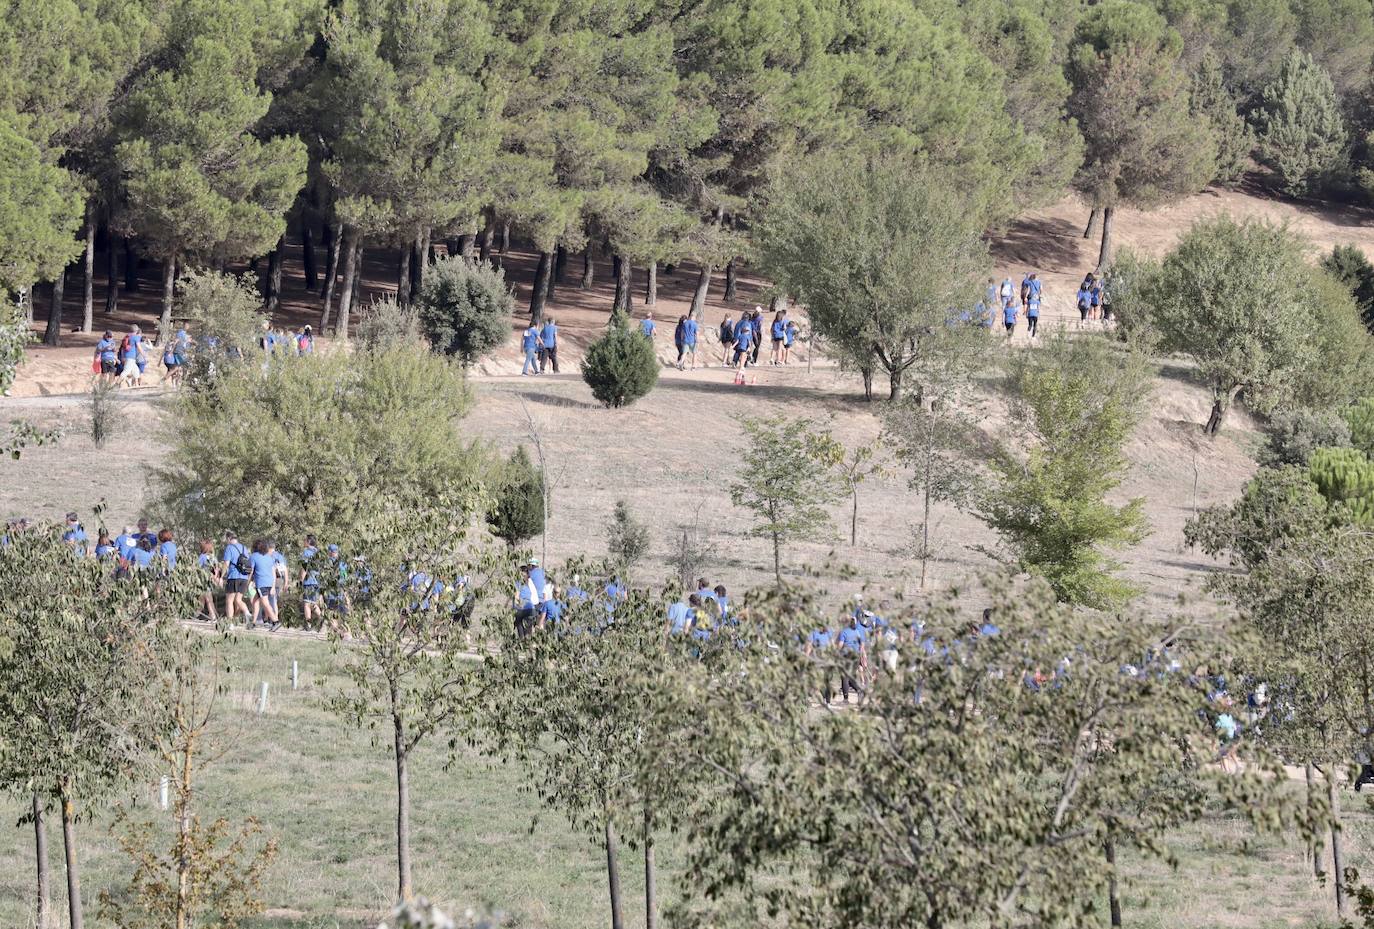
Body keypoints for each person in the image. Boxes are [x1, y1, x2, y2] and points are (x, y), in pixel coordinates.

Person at [248, 539, 280, 630]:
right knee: (255, 601)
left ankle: (275, 621)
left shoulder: (253, 556)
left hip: (261, 583)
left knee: (265, 603)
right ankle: (253, 622)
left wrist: (247, 583)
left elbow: (251, 572)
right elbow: (274, 572)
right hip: (269, 582)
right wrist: (273, 586)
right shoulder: (269, 557)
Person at [222, 531, 252, 624]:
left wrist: (222, 576)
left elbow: (226, 564)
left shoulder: (229, 548)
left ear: (228, 539)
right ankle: (247, 613)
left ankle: (230, 623)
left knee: (229, 601)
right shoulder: (244, 548)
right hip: (244, 577)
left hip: (233, 577)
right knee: (238, 599)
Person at [836, 615, 867, 702]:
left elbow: (840, 645)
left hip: (846, 657)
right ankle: (859, 690)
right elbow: (862, 645)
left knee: (845, 677)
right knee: (849, 677)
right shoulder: (857, 632)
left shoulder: (844, 632)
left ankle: (846, 699)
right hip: (856, 657)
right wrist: (861, 655)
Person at [301, 534, 322, 629]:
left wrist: (301, 579)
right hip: (317, 581)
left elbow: (304, 567)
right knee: (313, 602)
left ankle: (308, 624)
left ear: (309, 541)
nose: (303, 541)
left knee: (306, 603)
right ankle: (321, 618)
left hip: (308, 581)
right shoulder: (318, 552)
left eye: (305, 539)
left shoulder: (306, 552)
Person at [196, 539, 219, 622]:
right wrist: (215, 577)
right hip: (211, 580)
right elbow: (216, 568)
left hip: (203, 580)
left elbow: (197, 567)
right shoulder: (213, 557)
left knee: (208, 598)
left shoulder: (202, 557)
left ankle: (212, 615)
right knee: (202, 598)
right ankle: (197, 613)